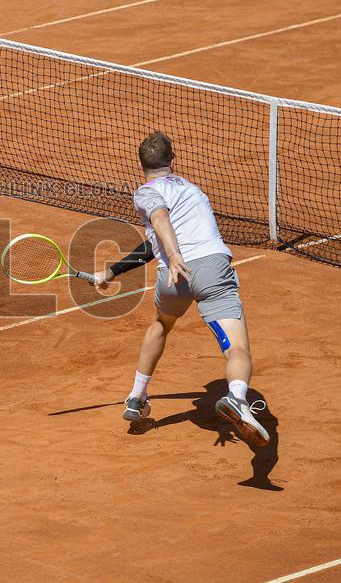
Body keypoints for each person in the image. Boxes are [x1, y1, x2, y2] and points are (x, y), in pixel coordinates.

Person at [94, 130, 269, 446]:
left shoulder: (145, 193)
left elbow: (157, 230)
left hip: (174, 279)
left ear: (141, 166)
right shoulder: (194, 191)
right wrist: (115, 269)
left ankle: (137, 397)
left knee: (162, 324)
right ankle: (238, 398)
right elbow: (160, 224)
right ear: (173, 160)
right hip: (211, 270)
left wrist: (166, 259)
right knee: (237, 349)